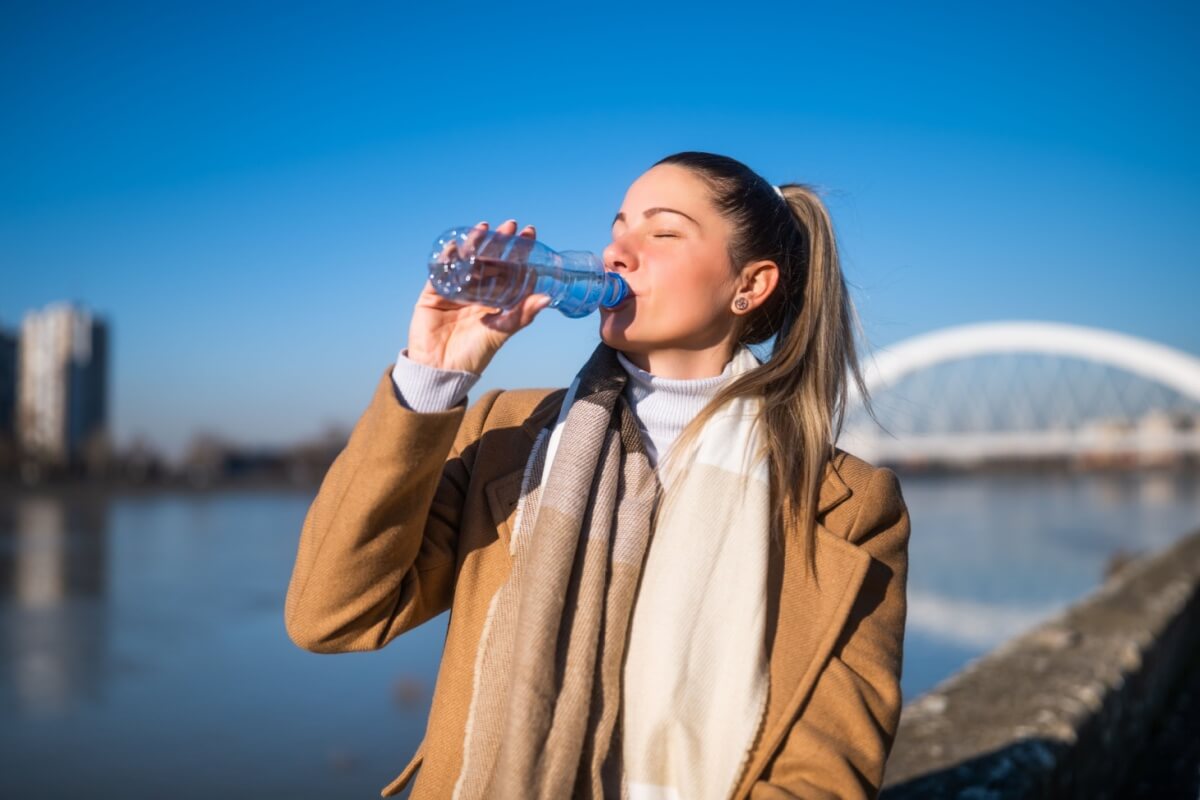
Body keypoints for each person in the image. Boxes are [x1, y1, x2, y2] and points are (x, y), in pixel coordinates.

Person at [284, 151, 911, 800]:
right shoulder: (510, 437)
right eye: (618, 228)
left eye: (662, 232)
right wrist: (431, 373)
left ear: (749, 286)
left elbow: (823, 775)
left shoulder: (848, 506)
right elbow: (333, 616)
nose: (617, 252)